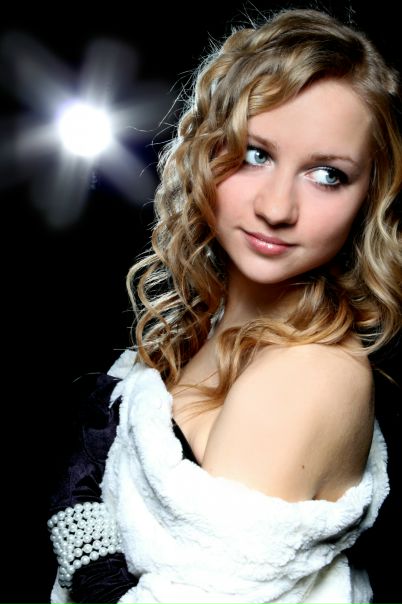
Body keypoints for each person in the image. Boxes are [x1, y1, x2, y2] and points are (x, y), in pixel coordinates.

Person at [48, 6, 402, 604]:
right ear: (208, 150)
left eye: (326, 174)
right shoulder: (204, 321)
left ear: (370, 196)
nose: (277, 207)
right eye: (256, 154)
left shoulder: (310, 371)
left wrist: (82, 538)